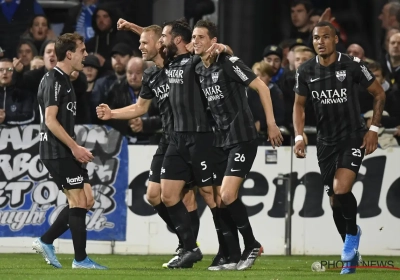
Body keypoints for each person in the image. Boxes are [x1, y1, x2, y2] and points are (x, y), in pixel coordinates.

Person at [293, 21, 386, 275]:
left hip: (352, 137)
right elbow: (299, 105)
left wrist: (373, 129)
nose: (320, 42)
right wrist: (299, 136)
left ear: (335, 39)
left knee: (341, 188)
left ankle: (353, 235)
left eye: (325, 37)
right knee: (334, 201)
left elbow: (379, 93)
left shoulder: (352, 65)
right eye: (315, 38)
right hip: (325, 142)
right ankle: (351, 254)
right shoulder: (305, 71)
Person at [192, 19, 283, 270]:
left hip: (242, 137)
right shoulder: (199, 69)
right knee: (221, 201)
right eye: (194, 37)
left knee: (228, 194)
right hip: (220, 140)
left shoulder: (229, 63)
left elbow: (262, 88)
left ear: (213, 41)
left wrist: (271, 124)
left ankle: (252, 244)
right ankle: (232, 257)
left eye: (201, 37)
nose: (196, 41)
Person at [32, 32, 107, 270]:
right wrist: (75, 147)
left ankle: (46, 241)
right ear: (69, 54)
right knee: (77, 201)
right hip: (57, 150)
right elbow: (51, 121)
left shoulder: (64, 79)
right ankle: (80, 260)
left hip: (64, 149)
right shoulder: (54, 80)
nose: (86, 54)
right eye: (83, 50)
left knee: (86, 200)